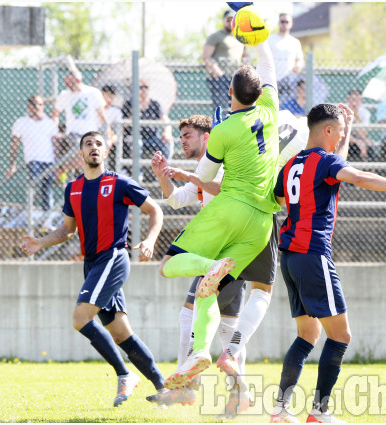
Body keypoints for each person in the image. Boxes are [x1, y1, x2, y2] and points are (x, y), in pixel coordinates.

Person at [271, 103, 386, 423]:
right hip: (313, 254)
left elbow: (280, 198)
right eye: (340, 132)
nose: (342, 137)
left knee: (307, 335)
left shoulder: (292, 163)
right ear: (327, 130)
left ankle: (280, 409)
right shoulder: (326, 161)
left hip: (290, 257)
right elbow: (356, 176)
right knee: (341, 336)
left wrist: (344, 131)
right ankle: (319, 412)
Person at [160, 39, 280, 393]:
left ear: (229, 91)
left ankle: (200, 349)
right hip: (261, 223)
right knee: (212, 293)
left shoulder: (224, 129)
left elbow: (208, 178)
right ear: (260, 93)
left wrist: (190, 174)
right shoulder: (270, 112)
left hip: (230, 209)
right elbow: (268, 64)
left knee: (170, 263)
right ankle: (202, 354)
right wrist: (259, 37)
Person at [19, 131, 166, 406]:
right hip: (92, 264)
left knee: (80, 318)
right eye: (89, 144)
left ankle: (125, 374)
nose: (94, 148)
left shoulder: (119, 183)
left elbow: (155, 209)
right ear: (81, 153)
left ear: (106, 151)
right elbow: (66, 230)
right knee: (121, 333)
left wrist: (149, 240)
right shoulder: (73, 188)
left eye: (99, 144)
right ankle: (166, 387)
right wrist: (40, 242)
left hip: (112, 258)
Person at [147, 114, 261, 417]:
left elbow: (222, 190)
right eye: (181, 136)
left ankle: (221, 391)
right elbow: (176, 199)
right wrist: (163, 175)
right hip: (215, 255)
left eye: (188, 135)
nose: (182, 141)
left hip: (229, 251)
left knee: (220, 327)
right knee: (209, 322)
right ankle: (219, 390)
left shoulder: (224, 164)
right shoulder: (203, 168)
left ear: (207, 138)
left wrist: (192, 177)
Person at [51, 70, 109, 178]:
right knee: (83, 156)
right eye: (66, 83)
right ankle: (60, 169)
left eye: (69, 82)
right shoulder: (65, 94)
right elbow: (55, 114)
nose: (67, 85)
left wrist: (107, 136)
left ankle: (61, 169)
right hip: (73, 134)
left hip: (91, 134)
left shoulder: (93, 93)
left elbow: (102, 116)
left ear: (78, 80)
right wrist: (56, 130)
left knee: (88, 161)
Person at [6, 95, 59, 210]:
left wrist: (57, 164)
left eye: (41, 104)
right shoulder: (20, 123)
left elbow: (55, 144)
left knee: (47, 189)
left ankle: (46, 220)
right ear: (29, 106)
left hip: (49, 161)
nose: (38, 107)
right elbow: (14, 145)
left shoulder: (49, 123)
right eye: (35, 104)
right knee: (34, 182)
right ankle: (30, 210)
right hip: (33, 160)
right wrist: (12, 166)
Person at [202, 10, 247, 113]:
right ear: (223, 20)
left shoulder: (240, 37)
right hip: (219, 78)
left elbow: (246, 55)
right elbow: (206, 56)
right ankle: (219, 128)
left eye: (233, 20)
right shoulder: (216, 36)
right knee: (220, 108)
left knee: (237, 107)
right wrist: (219, 73)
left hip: (236, 79)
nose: (230, 22)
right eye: (228, 19)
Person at [121, 79, 173, 161]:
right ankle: (138, 172)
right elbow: (122, 124)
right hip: (135, 137)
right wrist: (133, 115)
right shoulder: (129, 104)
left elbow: (165, 120)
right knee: (136, 143)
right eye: (140, 87)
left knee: (167, 142)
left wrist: (167, 132)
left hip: (152, 137)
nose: (143, 89)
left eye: (146, 87)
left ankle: (165, 168)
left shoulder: (154, 104)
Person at [268, 13, 304, 102]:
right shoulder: (270, 39)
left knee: (287, 106)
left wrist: (298, 66)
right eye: (282, 21)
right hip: (272, 80)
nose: (284, 24)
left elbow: (300, 59)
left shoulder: (295, 42)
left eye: (287, 22)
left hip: (289, 82)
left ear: (291, 24)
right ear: (278, 23)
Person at [345, 88, 374, 161]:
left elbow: (363, 134)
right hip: (346, 138)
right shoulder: (342, 112)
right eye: (352, 100)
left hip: (359, 137)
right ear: (347, 100)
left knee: (368, 142)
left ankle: (371, 169)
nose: (354, 103)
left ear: (361, 101)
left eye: (357, 100)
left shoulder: (365, 113)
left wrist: (357, 116)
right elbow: (342, 133)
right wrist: (356, 141)